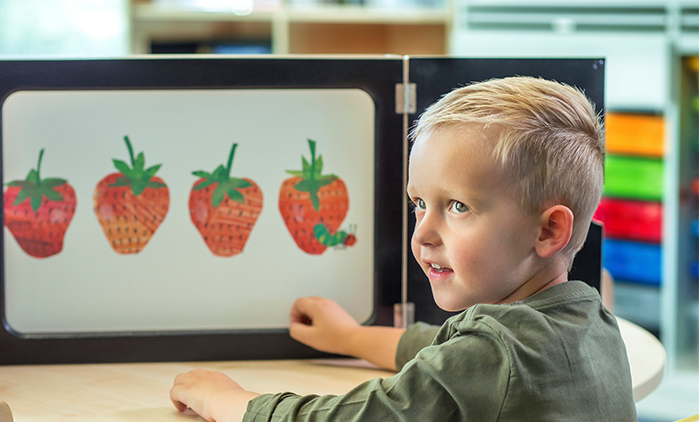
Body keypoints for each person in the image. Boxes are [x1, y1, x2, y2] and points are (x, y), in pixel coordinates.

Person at [169, 76, 637, 421]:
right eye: (418, 204)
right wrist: (349, 339)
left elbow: (351, 418)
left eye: (457, 206)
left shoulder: (496, 353)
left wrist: (226, 399)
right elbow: (441, 347)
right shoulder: (588, 320)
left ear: (548, 231)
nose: (423, 234)